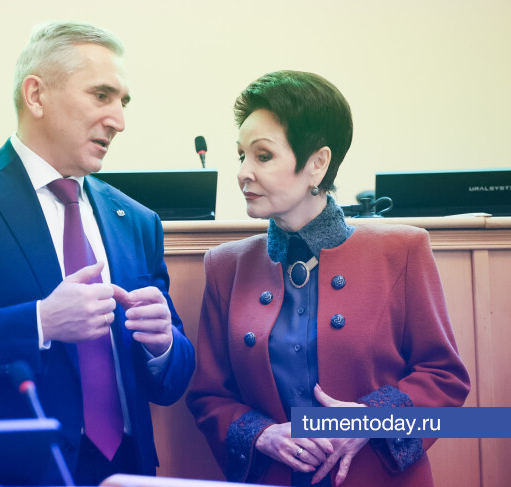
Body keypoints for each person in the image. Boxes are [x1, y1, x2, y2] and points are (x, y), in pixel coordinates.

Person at [0, 20, 194, 486]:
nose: (119, 121)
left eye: (123, 103)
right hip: (6, 474)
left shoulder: (138, 221)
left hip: (125, 471)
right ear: (36, 95)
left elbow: (172, 380)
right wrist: (40, 322)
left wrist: (163, 345)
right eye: (101, 95)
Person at [186, 71, 470, 487]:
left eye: (263, 156)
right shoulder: (225, 266)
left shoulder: (403, 250)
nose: (243, 172)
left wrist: (372, 420)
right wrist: (262, 436)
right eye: (241, 155)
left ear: (318, 163)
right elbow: (209, 396)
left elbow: (446, 380)